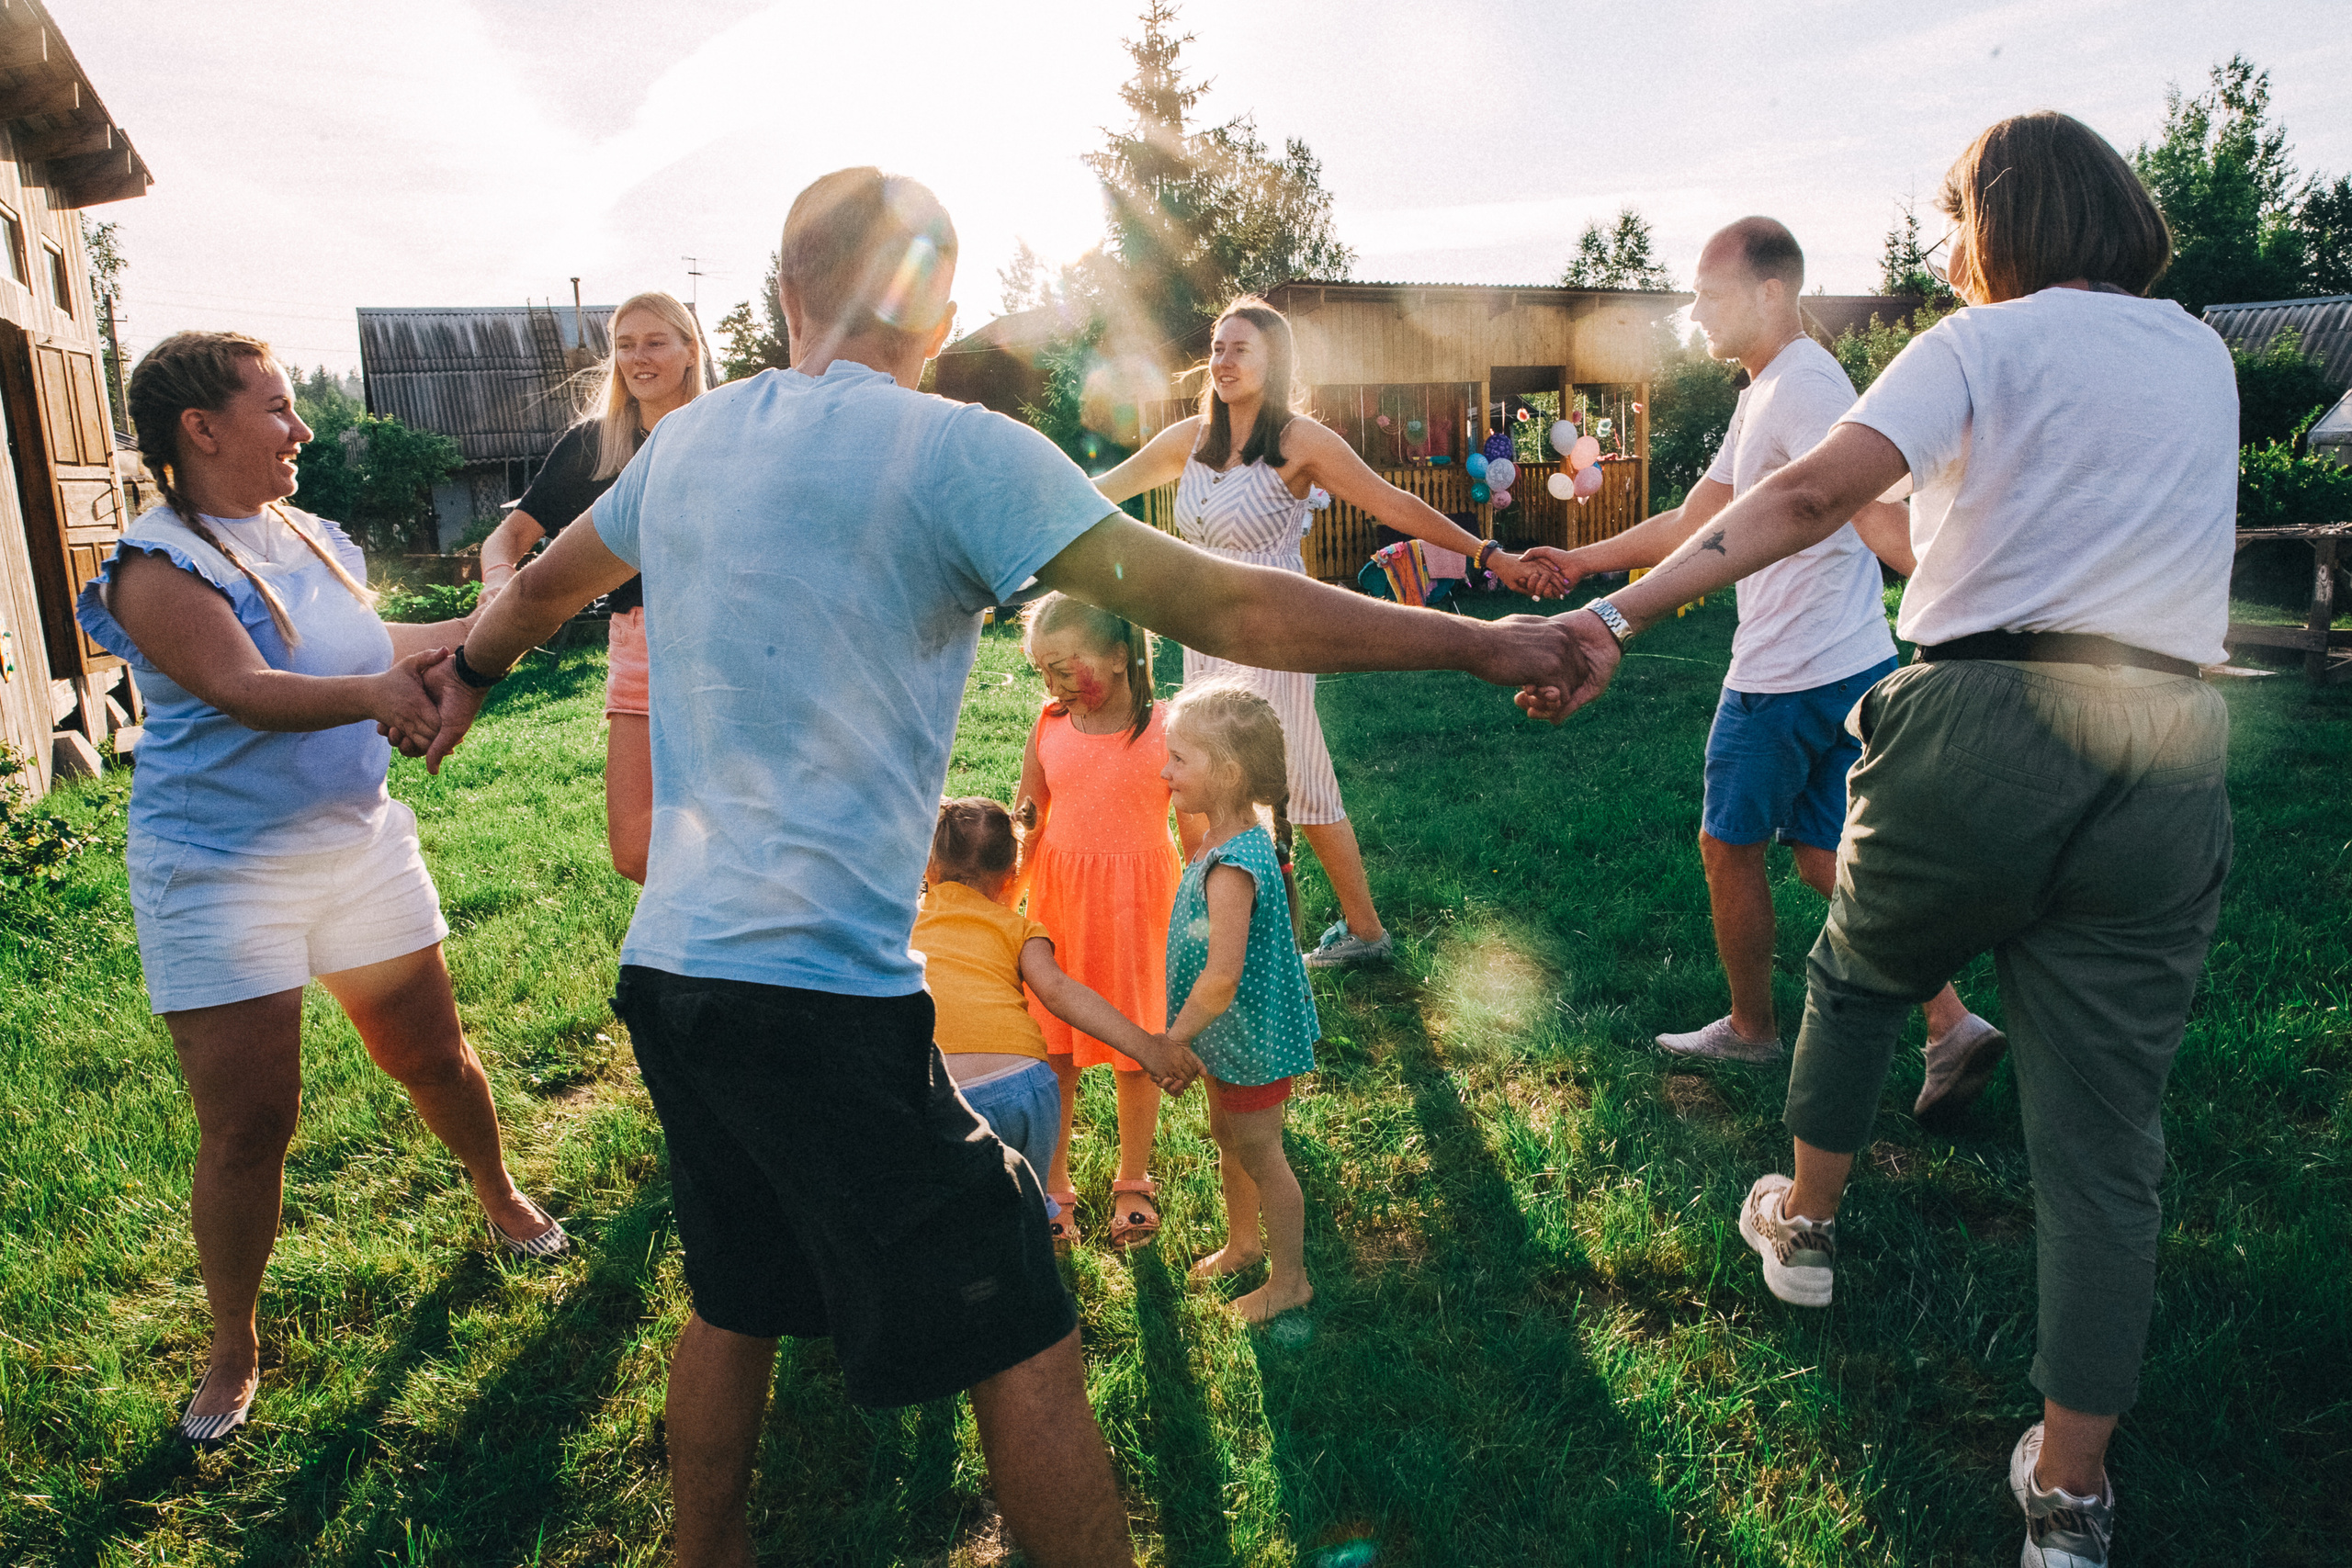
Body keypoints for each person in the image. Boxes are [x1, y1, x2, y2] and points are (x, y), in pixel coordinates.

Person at [418, 166, 1586, 1568]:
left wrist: (465, 677)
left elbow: (541, 586)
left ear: (784, 292)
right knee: (1021, 1312)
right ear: (941, 314)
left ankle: (703, 1549)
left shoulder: (691, 444)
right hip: (823, 995)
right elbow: (1220, 600)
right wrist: (1479, 638)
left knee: (734, 1287)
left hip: (674, 972)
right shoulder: (958, 449)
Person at [1521, 113, 2236, 1568]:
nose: (1955, 246)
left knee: (1855, 974)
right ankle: (2071, 1492)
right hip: (2168, 743)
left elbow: (1806, 502)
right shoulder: (2204, 352)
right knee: (2106, 1143)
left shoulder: (1975, 343)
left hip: (1988, 714)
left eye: (1962, 216)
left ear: (2007, 219)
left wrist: (1611, 613)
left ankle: (1802, 1225)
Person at [74, 331, 567, 1449]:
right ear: (201, 430)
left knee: (433, 1056)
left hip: (358, 850)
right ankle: (233, 1344)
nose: (302, 431)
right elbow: (247, 688)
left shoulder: (312, 533)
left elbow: (374, 639)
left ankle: (497, 1195)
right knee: (252, 1125)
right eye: (279, 410)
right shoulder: (154, 567)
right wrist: (382, 695)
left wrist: (505, 623)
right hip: (222, 877)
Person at [1525, 219, 1999, 1121]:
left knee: (1726, 847)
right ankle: (1951, 1023)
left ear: (1770, 292)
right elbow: (1691, 522)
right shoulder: (1768, 392)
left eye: (1709, 294)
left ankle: (1750, 1027)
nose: (1695, 312)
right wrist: (1584, 564)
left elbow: (1852, 502)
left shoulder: (1804, 387)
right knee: (1824, 857)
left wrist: (1946, 579)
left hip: (1786, 674)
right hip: (1845, 663)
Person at [1091, 297, 1566, 970]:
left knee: (1301, 781)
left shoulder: (1299, 442)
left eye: (1240, 349)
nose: (1223, 361)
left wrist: (1491, 556)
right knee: (1196, 777)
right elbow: (1099, 490)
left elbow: (1394, 503)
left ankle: (1365, 931)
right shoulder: (1188, 442)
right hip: (1204, 635)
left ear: (1273, 361)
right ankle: (1212, 925)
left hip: (1279, 630)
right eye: (1217, 349)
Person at [477, 290, 707, 884]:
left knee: (728, 815)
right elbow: (505, 540)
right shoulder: (591, 445)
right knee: (633, 848)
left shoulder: (721, 432)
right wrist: (499, 586)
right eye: (625, 345)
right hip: (636, 644)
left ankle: (726, 950)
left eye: (655, 341)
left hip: (717, 636)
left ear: (690, 351)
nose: (638, 357)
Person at [914, 796, 1201, 1237]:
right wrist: (1147, 1046)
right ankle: (1045, 1231)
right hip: (1026, 1089)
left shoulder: (908, 923)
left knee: (954, 1214)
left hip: (945, 1095)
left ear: (928, 870)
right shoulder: (1020, 929)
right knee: (1024, 1198)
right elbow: (1061, 993)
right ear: (1011, 876)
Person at [1010, 593, 1182, 1249]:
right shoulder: (1049, 724)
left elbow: (1193, 835)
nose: (1052, 686)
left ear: (1119, 655)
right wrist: (1004, 906)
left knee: (1138, 1050)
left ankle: (1133, 1180)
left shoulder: (1167, 728)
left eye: (1062, 668)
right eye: (1042, 672)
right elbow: (1028, 821)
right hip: (1061, 907)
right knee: (1056, 1049)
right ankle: (1055, 1186)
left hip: (1141, 909)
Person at [1159, 681, 1320, 1325]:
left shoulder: (1234, 862)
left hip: (1248, 1037)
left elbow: (1223, 978)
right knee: (1228, 1137)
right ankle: (1244, 1242)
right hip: (1227, 1037)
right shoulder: (1222, 839)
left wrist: (1174, 1037)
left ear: (1224, 773)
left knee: (1262, 1153)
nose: (1164, 768)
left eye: (1178, 758)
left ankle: (1290, 1281)